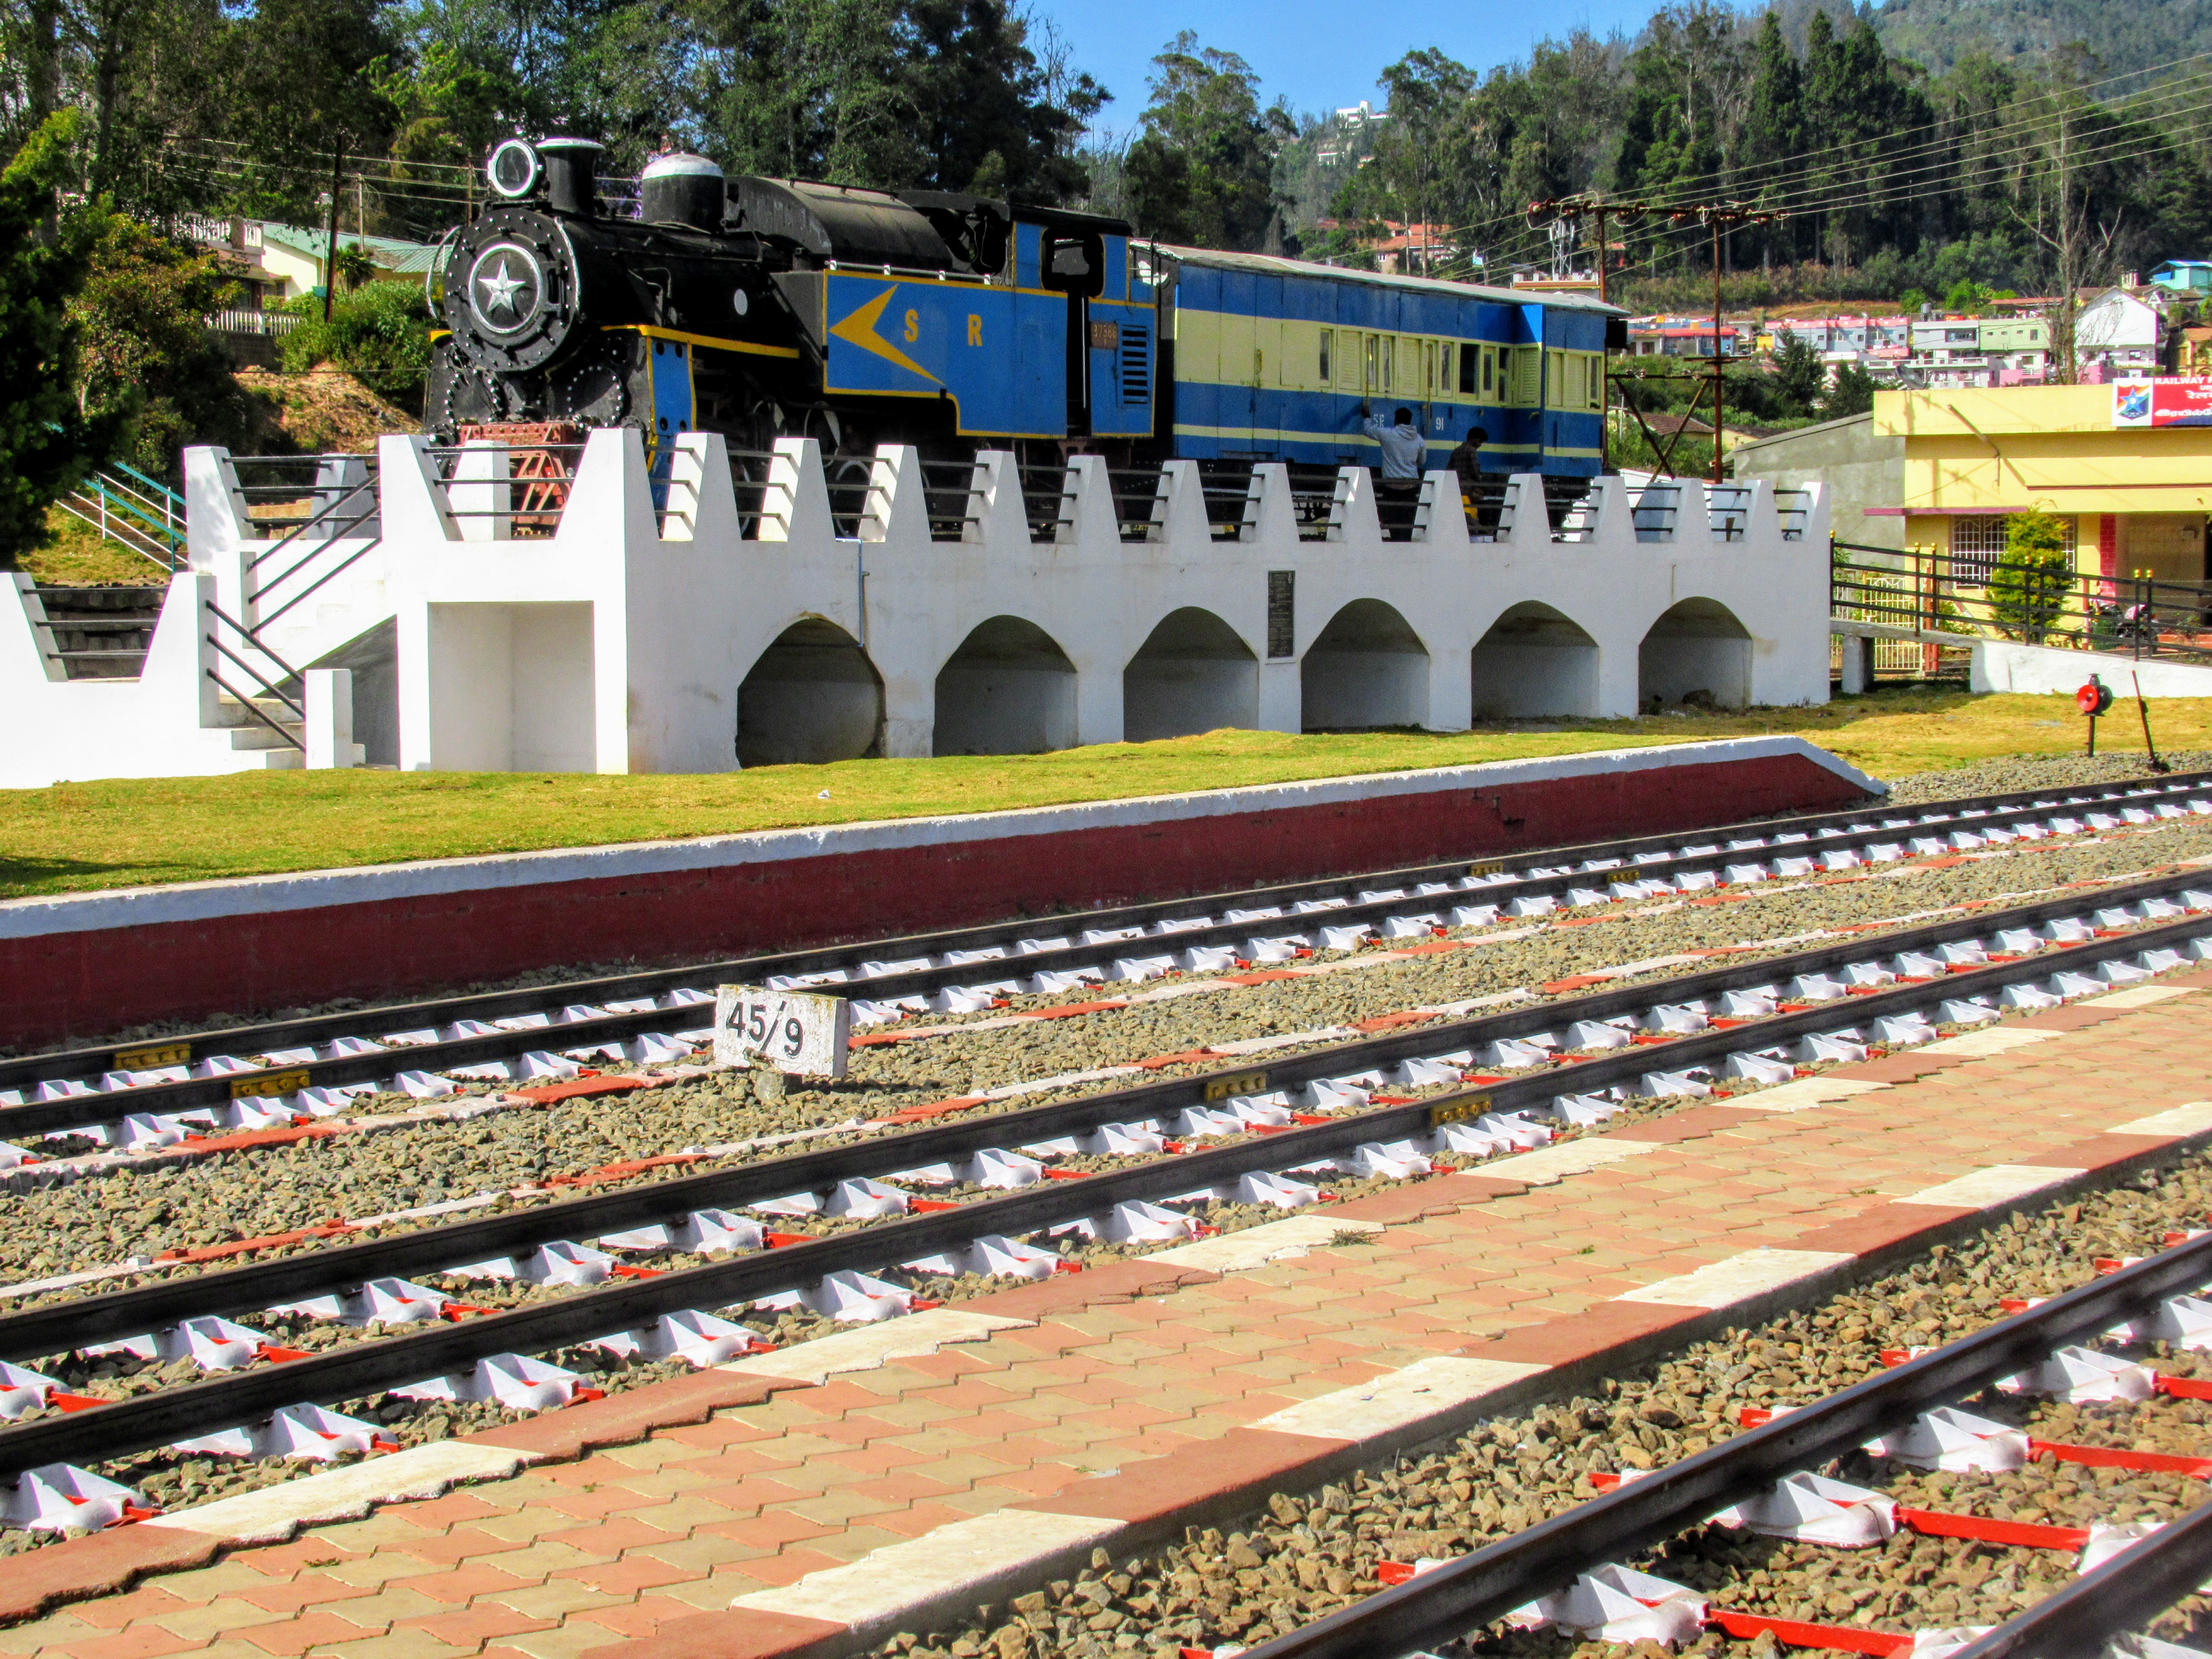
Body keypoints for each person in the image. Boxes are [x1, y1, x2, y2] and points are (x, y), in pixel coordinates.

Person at [1361, 404, 1428, 488]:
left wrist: (1367, 415)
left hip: (1391, 483)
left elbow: (1368, 430)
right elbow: (1422, 461)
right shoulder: (1419, 440)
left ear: (1396, 420)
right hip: (1411, 483)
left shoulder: (1387, 435)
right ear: (1410, 420)